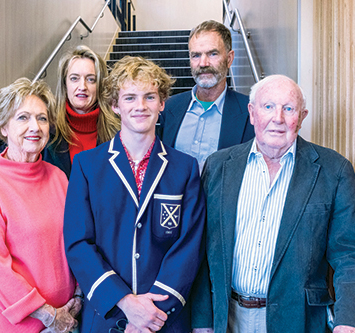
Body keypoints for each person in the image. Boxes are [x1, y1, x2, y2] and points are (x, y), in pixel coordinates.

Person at [192, 75, 355, 333]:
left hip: (299, 321)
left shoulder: (334, 171)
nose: (277, 118)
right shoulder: (218, 167)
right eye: (268, 107)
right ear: (252, 113)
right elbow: (201, 251)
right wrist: (202, 322)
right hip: (229, 318)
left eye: (288, 109)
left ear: (301, 117)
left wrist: (347, 320)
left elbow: (348, 255)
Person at [64, 56, 206, 332]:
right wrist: (126, 303)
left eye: (150, 97)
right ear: (115, 105)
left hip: (165, 321)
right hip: (106, 317)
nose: (140, 106)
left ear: (162, 103)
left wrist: (151, 316)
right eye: (130, 98)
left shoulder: (185, 168)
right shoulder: (87, 166)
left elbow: (190, 246)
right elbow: (78, 243)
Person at [0, 78, 82, 333]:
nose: (35, 127)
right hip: (13, 323)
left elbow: (74, 241)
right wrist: (48, 315)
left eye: (42, 118)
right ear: (3, 128)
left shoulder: (58, 177)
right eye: (23, 118)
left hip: (65, 317)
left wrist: (77, 297)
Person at [158, 20, 254, 172]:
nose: (203, 63)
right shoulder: (169, 108)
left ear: (229, 59)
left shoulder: (250, 112)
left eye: (213, 54)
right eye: (196, 55)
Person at [43, 45, 121, 178]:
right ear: (64, 84)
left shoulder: (119, 131)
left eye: (91, 79)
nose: (82, 87)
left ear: (100, 85)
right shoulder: (46, 128)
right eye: (74, 78)